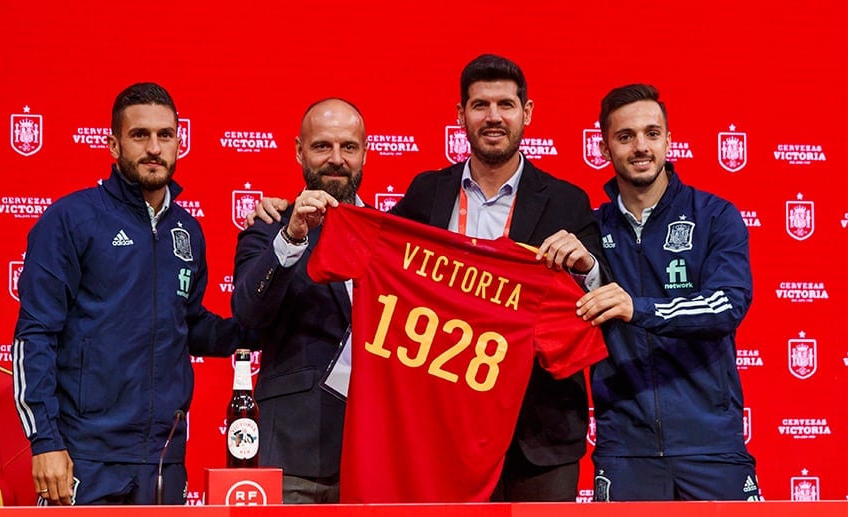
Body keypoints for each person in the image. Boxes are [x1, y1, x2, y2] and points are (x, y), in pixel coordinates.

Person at [250, 54, 608, 502]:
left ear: (527, 113)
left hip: (537, 438)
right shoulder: (426, 194)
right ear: (461, 116)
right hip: (441, 436)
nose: (493, 117)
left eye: (505, 105)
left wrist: (587, 268)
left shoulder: (568, 201)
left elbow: (600, 302)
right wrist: (286, 220)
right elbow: (364, 242)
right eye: (479, 105)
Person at [12, 82, 247, 506]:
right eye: (140, 135)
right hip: (85, 456)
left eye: (165, 135)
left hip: (164, 459)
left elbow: (189, 324)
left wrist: (258, 330)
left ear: (179, 142)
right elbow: (35, 335)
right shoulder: (70, 219)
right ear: (114, 145)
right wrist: (45, 442)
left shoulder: (187, 230)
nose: (154, 148)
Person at [575, 83, 761, 501]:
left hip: (711, 445)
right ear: (604, 148)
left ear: (668, 141)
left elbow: (727, 305)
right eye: (625, 137)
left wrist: (636, 308)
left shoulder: (714, 216)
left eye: (652, 134)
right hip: (625, 450)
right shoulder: (590, 229)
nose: (641, 146)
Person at [230, 98, 367, 503]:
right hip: (293, 453)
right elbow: (247, 313)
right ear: (299, 151)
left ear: (364, 152)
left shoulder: (390, 233)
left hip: (377, 450)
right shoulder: (269, 228)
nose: (336, 159)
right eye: (323, 146)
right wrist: (290, 237)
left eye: (349, 147)